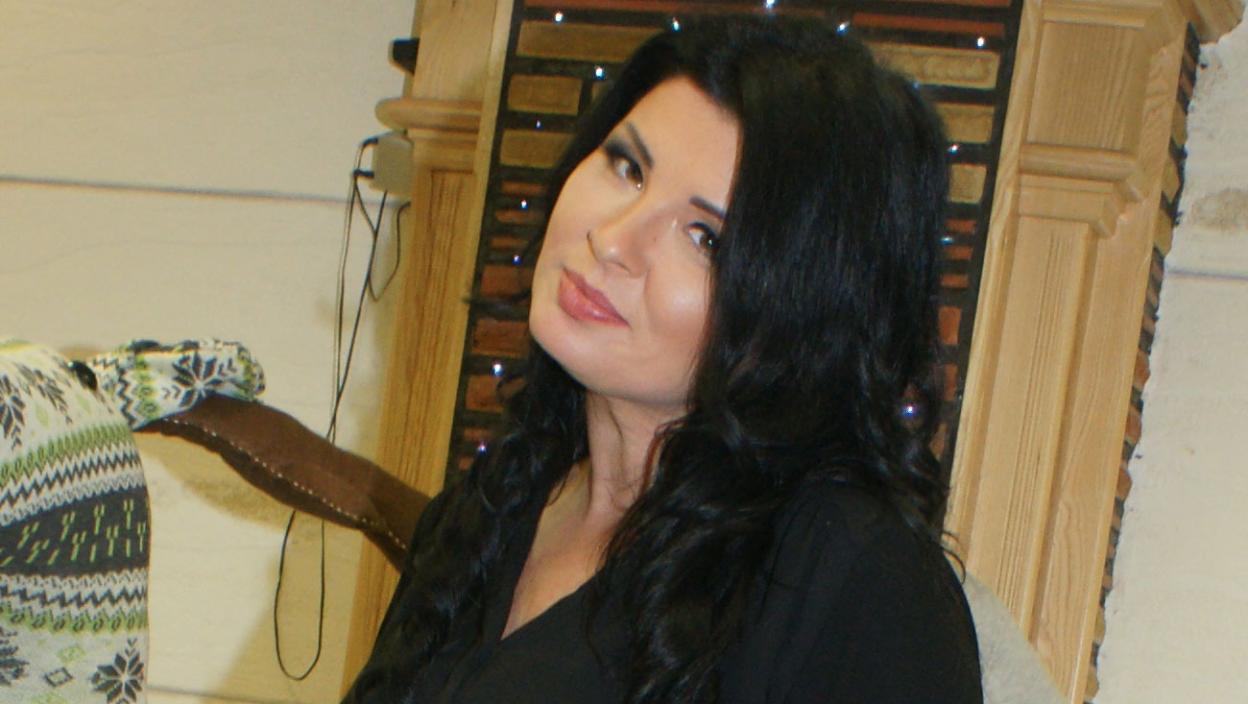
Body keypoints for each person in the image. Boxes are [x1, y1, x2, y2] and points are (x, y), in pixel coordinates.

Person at [345, 15, 982, 703]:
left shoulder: (855, 576)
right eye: (628, 167)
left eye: (705, 237)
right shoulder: (494, 502)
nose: (613, 239)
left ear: (800, 311)